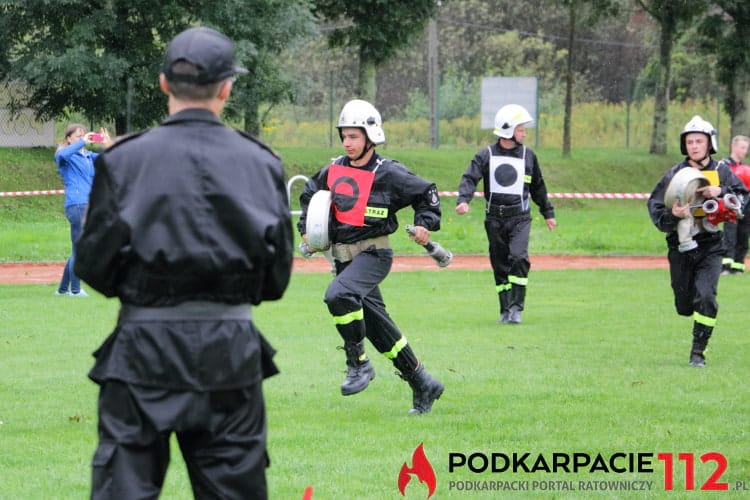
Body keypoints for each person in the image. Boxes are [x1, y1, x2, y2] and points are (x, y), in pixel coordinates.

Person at [73, 27, 293, 499]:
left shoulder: (125, 160)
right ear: (227, 87)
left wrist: (147, 289)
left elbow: (93, 264)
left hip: (141, 350)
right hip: (229, 351)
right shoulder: (261, 163)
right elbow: (276, 280)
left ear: (163, 84)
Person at [298, 99, 444, 415]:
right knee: (378, 329)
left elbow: (427, 195)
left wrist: (424, 224)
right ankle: (423, 382)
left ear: (370, 135)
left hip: (374, 254)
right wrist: (306, 231)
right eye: (344, 136)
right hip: (343, 259)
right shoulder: (332, 169)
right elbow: (309, 195)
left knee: (337, 295)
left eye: (354, 136)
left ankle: (358, 364)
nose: (348, 143)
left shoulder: (389, 173)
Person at [647, 115, 747, 368]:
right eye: (690, 141)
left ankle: (697, 353)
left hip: (712, 245)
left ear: (709, 143)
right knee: (684, 304)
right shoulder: (675, 173)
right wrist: (673, 215)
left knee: (706, 297)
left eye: (699, 141)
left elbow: (744, 197)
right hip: (679, 246)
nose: (694, 145)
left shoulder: (721, 171)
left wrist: (722, 191)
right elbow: (655, 205)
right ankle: (690, 309)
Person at [455, 104, 556, 324]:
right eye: (521, 129)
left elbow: (538, 186)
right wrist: (463, 200)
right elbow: (469, 178)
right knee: (499, 263)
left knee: (518, 258)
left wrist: (548, 212)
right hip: (494, 219)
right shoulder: (486, 155)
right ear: (508, 130)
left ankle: (516, 308)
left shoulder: (529, 155)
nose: (525, 133)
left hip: (520, 217)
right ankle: (504, 308)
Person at [54, 124, 111, 297]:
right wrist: (80, 143)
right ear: (69, 138)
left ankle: (62, 290)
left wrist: (107, 143)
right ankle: (76, 290)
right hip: (77, 205)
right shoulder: (65, 155)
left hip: (87, 205)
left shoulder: (87, 156)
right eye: (78, 136)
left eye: (84, 136)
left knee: (76, 249)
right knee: (80, 249)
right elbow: (62, 154)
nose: (82, 139)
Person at [718, 135, 750, 275]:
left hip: (746, 206)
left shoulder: (745, 168)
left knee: (743, 237)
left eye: (746, 148)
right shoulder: (724, 165)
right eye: (742, 147)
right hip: (730, 206)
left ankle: (738, 266)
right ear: (734, 147)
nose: (744, 151)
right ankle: (726, 266)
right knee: (729, 236)